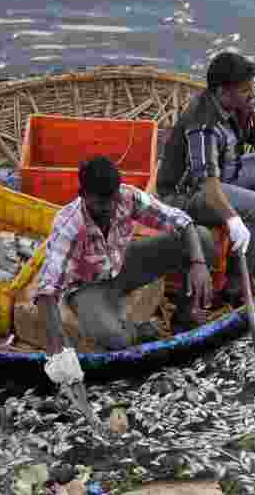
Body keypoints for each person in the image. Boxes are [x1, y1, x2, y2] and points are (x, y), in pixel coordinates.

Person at [34, 155, 219, 383]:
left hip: (122, 263)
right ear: (83, 195)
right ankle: (139, 332)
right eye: (102, 203)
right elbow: (47, 292)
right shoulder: (69, 226)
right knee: (113, 338)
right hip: (87, 286)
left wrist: (198, 264)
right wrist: (58, 350)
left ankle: (183, 318)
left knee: (202, 239)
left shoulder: (126, 196)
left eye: (113, 199)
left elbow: (180, 221)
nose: (111, 208)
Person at [156, 51, 255, 305]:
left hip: (227, 171)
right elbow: (208, 186)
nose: (251, 94)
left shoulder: (239, 106)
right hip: (188, 193)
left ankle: (251, 240)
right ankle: (238, 280)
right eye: (245, 90)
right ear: (223, 92)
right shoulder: (203, 126)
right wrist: (233, 219)